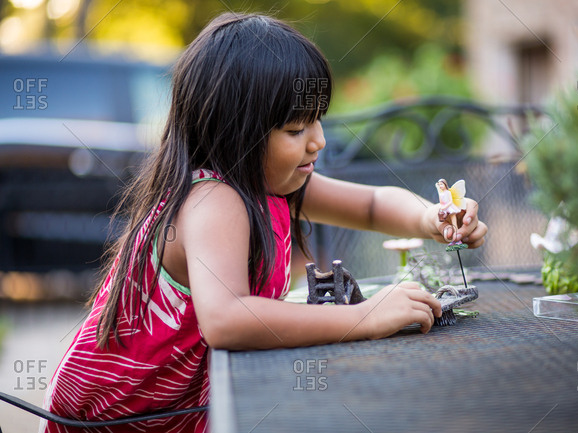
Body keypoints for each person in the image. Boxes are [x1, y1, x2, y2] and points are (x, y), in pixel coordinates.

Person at [40, 12, 488, 433]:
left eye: (317, 122)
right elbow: (228, 319)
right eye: (296, 130)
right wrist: (363, 317)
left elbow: (371, 204)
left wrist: (431, 217)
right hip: (113, 420)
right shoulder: (213, 200)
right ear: (235, 132)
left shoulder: (272, 184)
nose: (318, 141)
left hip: (171, 411)